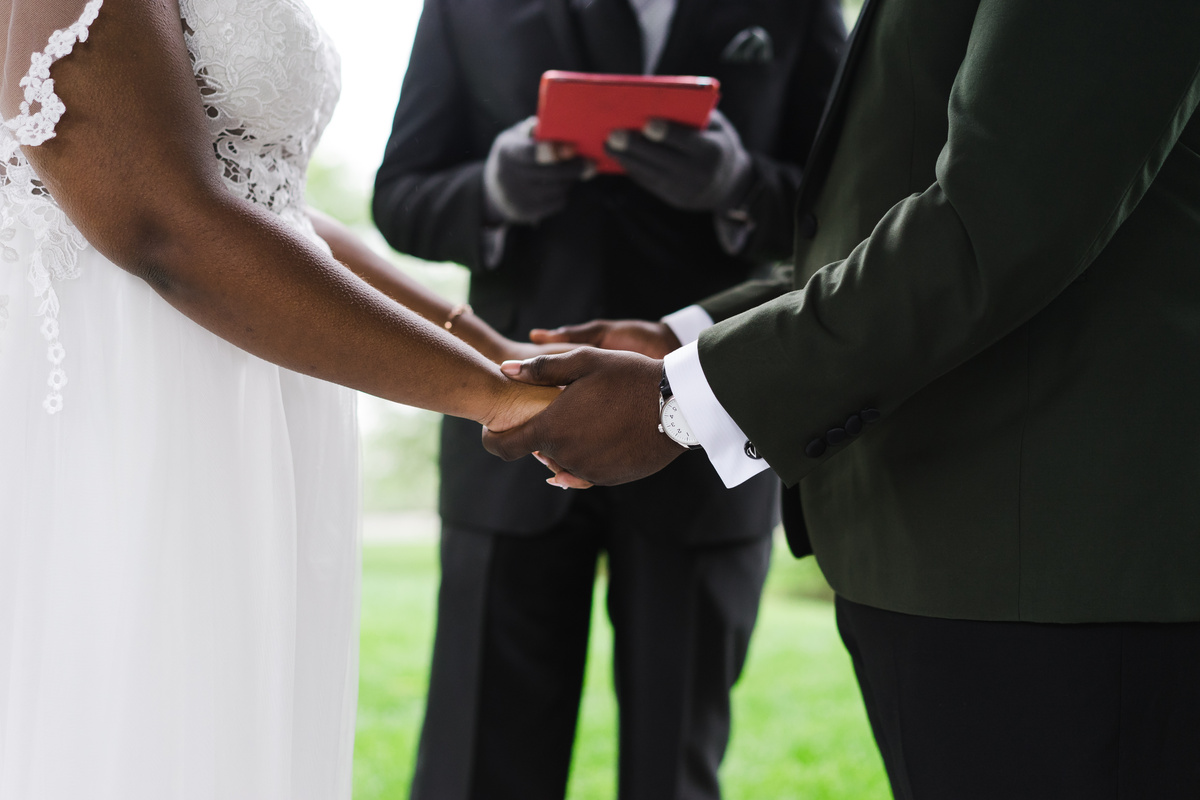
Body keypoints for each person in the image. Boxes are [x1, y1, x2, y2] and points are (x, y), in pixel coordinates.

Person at [486, 0, 1200, 797]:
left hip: (1057, 579)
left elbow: (992, 222)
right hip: (938, 557)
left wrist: (681, 400)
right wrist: (681, 339)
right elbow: (873, 217)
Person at [0, 0, 563, 798]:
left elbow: (278, 208)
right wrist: (488, 399)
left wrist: (489, 351)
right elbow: (161, 220)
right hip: (134, 402)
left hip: (256, 389)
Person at [372, 1, 844, 798]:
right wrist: (494, 189)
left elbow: (847, 204)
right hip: (513, 418)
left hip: (706, 423)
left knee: (676, 767)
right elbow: (401, 197)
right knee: (477, 765)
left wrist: (739, 186)